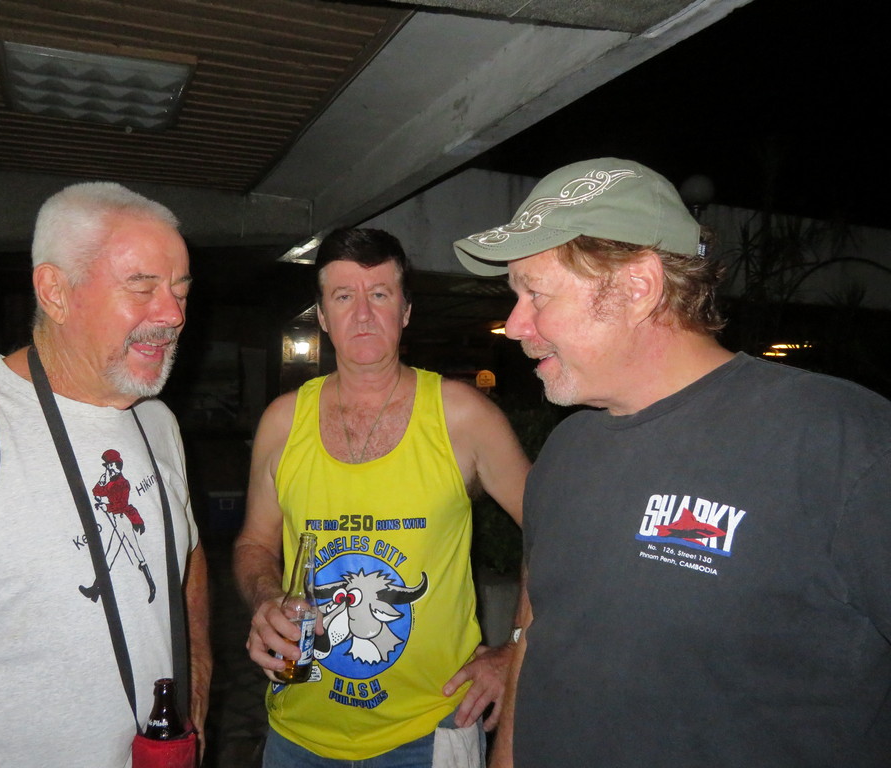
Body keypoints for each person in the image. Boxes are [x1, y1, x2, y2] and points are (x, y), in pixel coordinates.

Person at [454, 157, 891, 766]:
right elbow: (537, 625)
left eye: (536, 293)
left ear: (638, 287)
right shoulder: (567, 448)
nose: (516, 324)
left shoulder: (845, 442)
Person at [0, 182, 211, 768]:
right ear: (54, 291)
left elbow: (187, 555)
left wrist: (194, 683)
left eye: (180, 290)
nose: (173, 315)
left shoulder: (157, 422)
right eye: (142, 287)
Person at [234, 227, 530, 767]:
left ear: (406, 310)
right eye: (344, 296)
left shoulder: (463, 416)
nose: (363, 314)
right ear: (323, 316)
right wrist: (265, 600)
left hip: (431, 728)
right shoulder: (283, 421)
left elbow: (555, 532)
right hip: (297, 734)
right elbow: (254, 542)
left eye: (380, 294)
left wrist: (515, 648)